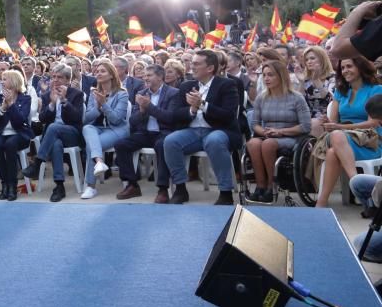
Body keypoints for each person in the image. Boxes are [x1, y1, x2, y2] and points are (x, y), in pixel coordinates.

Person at [159, 49, 242, 205]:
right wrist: (192, 109)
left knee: (214, 141)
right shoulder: (186, 86)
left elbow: (229, 115)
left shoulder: (227, 85)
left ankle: (225, 192)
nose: (191, 67)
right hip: (192, 132)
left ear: (210, 68)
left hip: (219, 130)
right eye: (192, 63)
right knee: (170, 141)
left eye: (196, 64)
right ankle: (181, 189)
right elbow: (176, 114)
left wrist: (203, 105)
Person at [315, 56, 382, 207]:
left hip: (370, 141)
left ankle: (354, 185)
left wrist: (339, 128)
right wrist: (327, 123)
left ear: (360, 67)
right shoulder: (341, 91)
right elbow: (333, 124)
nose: (345, 71)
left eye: (349, 66)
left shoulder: (376, 90)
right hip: (342, 140)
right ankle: (357, 188)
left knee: (334, 148)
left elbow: (374, 123)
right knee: (335, 142)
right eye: (343, 68)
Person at [246, 60, 311, 203]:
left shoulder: (296, 98)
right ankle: (260, 185)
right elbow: (255, 124)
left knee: (268, 144)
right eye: (264, 75)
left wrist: (281, 132)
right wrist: (264, 132)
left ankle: (271, 186)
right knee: (252, 143)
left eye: (271, 75)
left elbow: (306, 126)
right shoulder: (261, 98)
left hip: (291, 136)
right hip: (268, 134)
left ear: (281, 76)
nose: (266, 78)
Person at [112, 64, 180, 201]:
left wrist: (149, 107)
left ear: (160, 77)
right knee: (120, 145)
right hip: (145, 133)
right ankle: (132, 184)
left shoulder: (173, 93)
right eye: (145, 75)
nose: (145, 78)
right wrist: (142, 111)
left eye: (149, 75)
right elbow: (132, 121)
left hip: (164, 132)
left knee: (162, 145)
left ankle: (163, 189)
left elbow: (170, 118)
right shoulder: (142, 93)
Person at [23, 63, 84, 202]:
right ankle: (59, 185)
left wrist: (64, 101)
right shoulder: (47, 95)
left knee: (53, 128)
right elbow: (42, 118)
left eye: (60, 78)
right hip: (53, 136)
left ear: (68, 80)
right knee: (56, 144)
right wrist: (51, 104)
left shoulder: (76, 94)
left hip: (72, 133)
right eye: (54, 77)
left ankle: (37, 163)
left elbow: (77, 118)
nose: (55, 80)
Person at [80, 60, 130, 200]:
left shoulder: (122, 94)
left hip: (117, 130)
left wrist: (104, 105)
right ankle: (100, 162)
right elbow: (87, 118)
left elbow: (117, 119)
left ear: (111, 75)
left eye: (102, 71)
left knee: (91, 147)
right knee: (87, 127)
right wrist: (96, 107)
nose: (98, 73)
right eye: (97, 71)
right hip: (98, 128)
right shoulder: (94, 93)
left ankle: (91, 186)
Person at [0, 70, 33, 201]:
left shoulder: (25, 98)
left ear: (14, 82)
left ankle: (13, 185)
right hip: (1, 133)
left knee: (10, 144)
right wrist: (2, 108)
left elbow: (20, 120)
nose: (2, 81)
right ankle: (5, 184)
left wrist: (12, 105)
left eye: (5, 79)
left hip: (19, 134)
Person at [300, 45, 335, 138]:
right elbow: (300, 102)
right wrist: (300, 82)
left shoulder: (333, 78)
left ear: (322, 59)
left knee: (314, 123)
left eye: (312, 58)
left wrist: (316, 80)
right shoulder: (306, 80)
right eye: (306, 60)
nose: (309, 62)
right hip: (308, 117)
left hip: (328, 117)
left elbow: (330, 99)